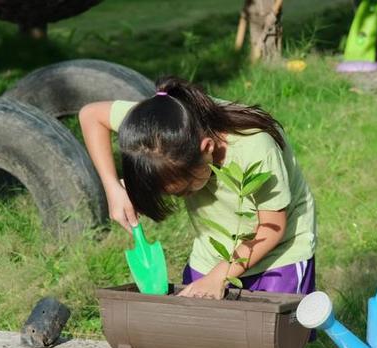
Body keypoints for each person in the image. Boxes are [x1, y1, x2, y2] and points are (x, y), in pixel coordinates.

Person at [78, 76, 316, 301]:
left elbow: (272, 228)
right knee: (198, 336)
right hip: (210, 254)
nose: (182, 197)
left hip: (278, 256)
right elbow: (91, 116)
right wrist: (111, 186)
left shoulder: (253, 146)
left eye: (185, 191)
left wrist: (221, 275)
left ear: (207, 148)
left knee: (265, 339)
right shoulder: (158, 130)